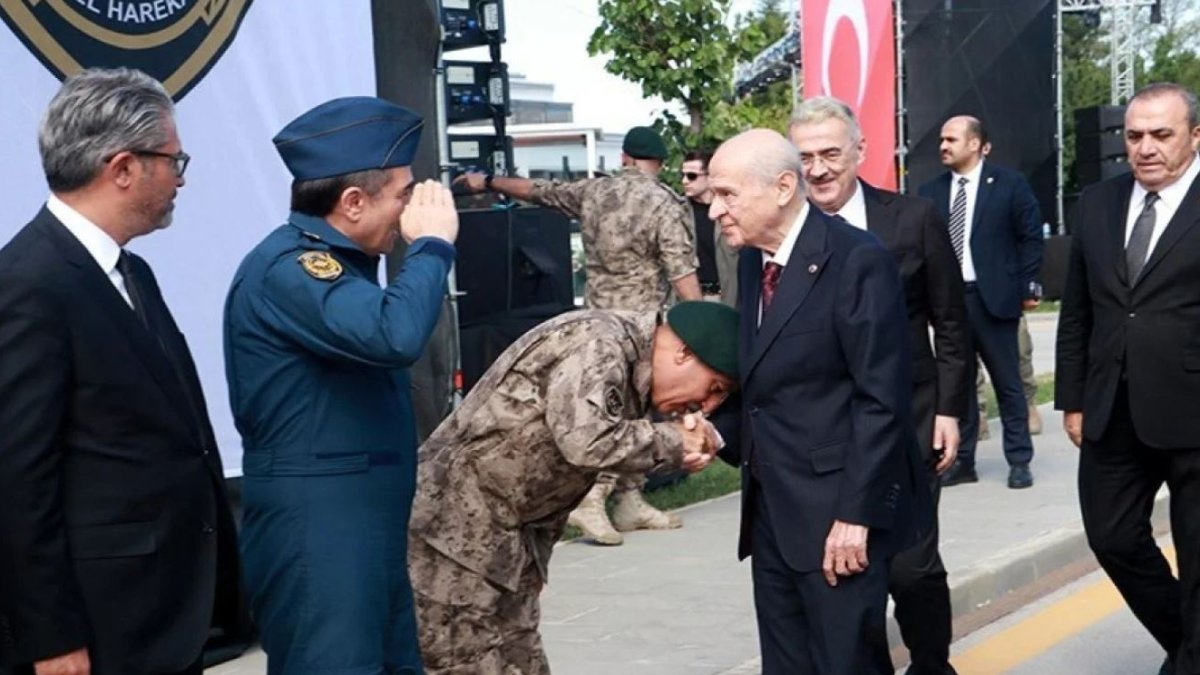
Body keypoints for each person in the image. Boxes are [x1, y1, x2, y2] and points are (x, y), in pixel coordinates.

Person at [0, 68, 242, 675]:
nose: (180, 179)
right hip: (100, 631)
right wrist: (51, 639)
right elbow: (18, 479)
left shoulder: (131, 272)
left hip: (165, 615)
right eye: (174, 160)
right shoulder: (29, 283)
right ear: (124, 167)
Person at [223, 97, 458, 674]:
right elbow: (394, 334)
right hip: (321, 539)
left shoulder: (337, 268)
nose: (409, 215)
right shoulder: (292, 269)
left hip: (361, 534)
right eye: (402, 195)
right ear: (353, 202)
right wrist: (432, 247)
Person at [409, 301, 736, 674]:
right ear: (684, 353)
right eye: (714, 388)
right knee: (461, 664)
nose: (705, 406)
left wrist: (532, 569)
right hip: (451, 539)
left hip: (503, 543)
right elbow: (586, 442)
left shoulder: (632, 367)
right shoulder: (599, 342)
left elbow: (553, 476)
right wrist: (673, 442)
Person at [707, 129, 928, 674]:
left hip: (838, 520)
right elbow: (766, 389)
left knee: (846, 664)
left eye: (727, 194)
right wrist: (717, 434)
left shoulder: (857, 260)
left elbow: (882, 398)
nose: (714, 210)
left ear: (783, 188)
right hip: (772, 515)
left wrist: (856, 514)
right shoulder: (752, 262)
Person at [789, 96, 970, 675]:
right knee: (849, 575)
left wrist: (949, 409)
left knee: (911, 566)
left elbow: (951, 319)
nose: (817, 169)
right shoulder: (789, 236)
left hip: (911, 418)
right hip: (828, 435)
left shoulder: (911, 219)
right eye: (805, 157)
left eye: (830, 154)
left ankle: (932, 664)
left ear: (859, 152)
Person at [457, 125, 701, 545]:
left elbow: (536, 190)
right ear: (658, 163)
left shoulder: (593, 192)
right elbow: (681, 270)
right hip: (642, 327)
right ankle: (595, 498)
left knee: (615, 411)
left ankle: (629, 503)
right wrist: (699, 325)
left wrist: (488, 181)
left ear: (624, 157)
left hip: (596, 322)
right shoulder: (663, 203)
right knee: (629, 414)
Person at [1057, 82, 1200, 675]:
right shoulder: (1097, 202)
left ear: (1195, 137)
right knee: (1112, 537)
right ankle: (1188, 644)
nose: (1144, 148)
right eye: (1133, 135)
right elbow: (1079, 310)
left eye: (1161, 135)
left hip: (1193, 410)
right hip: (1110, 406)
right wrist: (1071, 399)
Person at [919, 116, 1043, 489]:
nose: (943, 145)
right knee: (958, 387)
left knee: (1008, 384)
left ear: (975, 144)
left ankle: (1019, 460)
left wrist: (1028, 285)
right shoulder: (930, 193)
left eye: (951, 139)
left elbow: (1030, 237)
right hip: (948, 305)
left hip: (995, 300)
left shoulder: (1009, 185)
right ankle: (963, 461)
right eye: (941, 139)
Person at [682, 149, 739, 306]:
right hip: (690, 300)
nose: (685, 181)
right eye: (683, 175)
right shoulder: (676, 212)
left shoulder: (731, 210)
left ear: (710, 177)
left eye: (691, 176)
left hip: (729, 298)